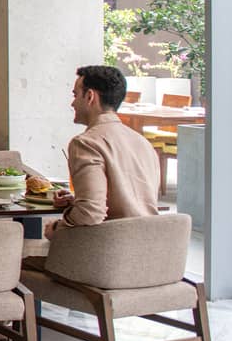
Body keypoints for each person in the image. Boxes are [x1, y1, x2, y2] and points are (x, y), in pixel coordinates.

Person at [43, 64, 160, 238]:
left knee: (16, 262)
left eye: (75, 95)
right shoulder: (142, 142)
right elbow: (133, 205)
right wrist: (76, 200)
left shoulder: (86, 143)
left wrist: (55, 230)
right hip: (147, 250)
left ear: (90, 96)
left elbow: (90, 213)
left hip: (108, 254)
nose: (72, 103)